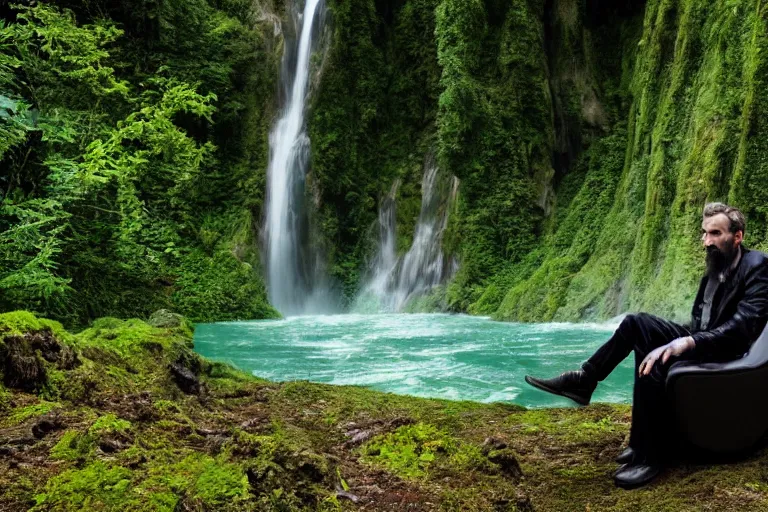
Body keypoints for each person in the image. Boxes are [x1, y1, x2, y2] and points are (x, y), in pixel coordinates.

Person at [524, 202, 768, 489]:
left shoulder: (757, 265)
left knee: (658, 357)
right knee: (637, 324)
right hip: (705, 340)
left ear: (737, 236)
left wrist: (684, 343)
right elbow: (700, 321)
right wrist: (681, 338)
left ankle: (653, 457)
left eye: (715, 234)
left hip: (731, 353)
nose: (707, 241)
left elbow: (742, 327)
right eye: (704, 234)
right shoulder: (715, 266)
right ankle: (588, 383)